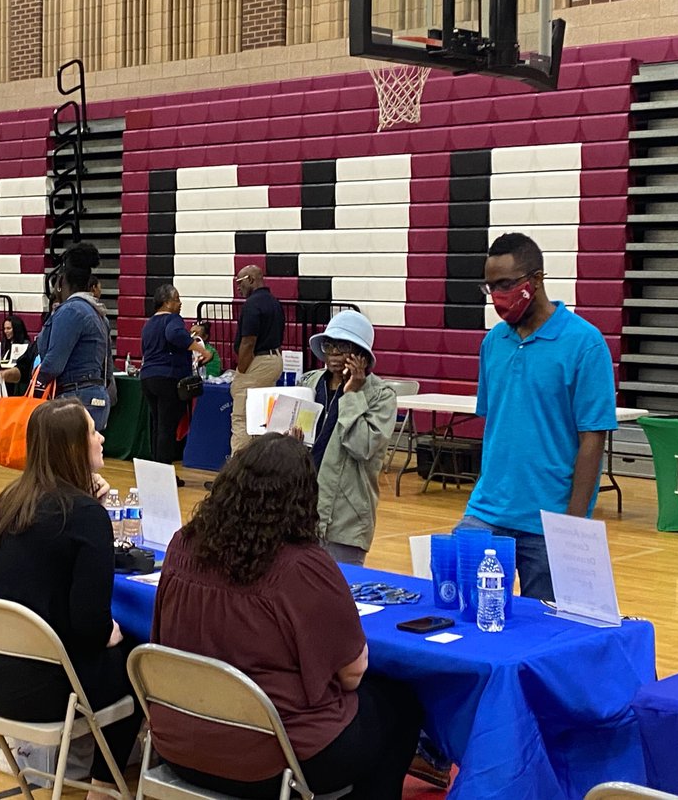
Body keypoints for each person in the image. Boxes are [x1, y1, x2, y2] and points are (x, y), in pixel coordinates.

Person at [152, 432, 423, 799]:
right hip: (270, 759)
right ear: (302, 499)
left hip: (178, 742)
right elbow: (352, 674)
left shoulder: (183, 544)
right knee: (400, 707)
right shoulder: (302, 568)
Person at [0, 398, 142, 800]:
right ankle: (102, 786)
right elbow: (89, 625)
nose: (101, 437)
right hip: (40, 692)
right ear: (74, 447)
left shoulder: (10, 500)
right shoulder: (83, 516)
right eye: (92, 432)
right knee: (137, 662)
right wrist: (109, 635)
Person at [459, 232, 617, 601]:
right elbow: (497, 426)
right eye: (491, 286)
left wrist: (572, 526)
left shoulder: (585, 343)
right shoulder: (493, 343)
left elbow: (592, 438)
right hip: (486, 512)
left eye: (506, 284)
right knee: (462, 611)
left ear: (537, 279)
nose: (498, 295)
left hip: (550, 523)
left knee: (545, 633)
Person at [301, 310, 396, 565]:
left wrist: (352, 394)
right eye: (329, 345)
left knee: (342, 593)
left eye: (342, 347)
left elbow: (362, 446)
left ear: (361, 356)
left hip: (345, 517)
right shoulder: (309, 383)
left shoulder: (381, 396)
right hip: (300, 510)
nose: (332, 353)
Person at [36, 243, 112, 430]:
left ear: (61, 282)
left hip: (76, 397)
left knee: (66, 458)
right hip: (96, 395)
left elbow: (53, 364)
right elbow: (108, 370)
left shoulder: (70, 311)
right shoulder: (98, 313)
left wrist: (37, 381)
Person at [140, 285, 204, 474]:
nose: (180, 302)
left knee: (157, 426)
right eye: (176, 299)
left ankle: (155, 470)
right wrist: (200, 349)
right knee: (167, 428)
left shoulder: (149, 323)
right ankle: (164, 474)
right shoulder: (173, 319)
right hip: (168, 377)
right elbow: (174, 334)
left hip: (148, 378)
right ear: (166, 303)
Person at [230, 265, 284, 454]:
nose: (238, 287)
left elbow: (248, 342)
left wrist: (241, 371)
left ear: (250, 280)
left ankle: (238, 476)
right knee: (262, 419)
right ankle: (260, 469)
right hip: (275, 360)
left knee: (242, 417)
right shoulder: (274, 302)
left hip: (257, 362)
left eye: (239, 282)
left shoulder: (252, 304)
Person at [0, 315, 37, 395]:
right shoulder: (5, 344)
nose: (6, 331)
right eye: (4, 329)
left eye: (8, 328)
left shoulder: (26, 345)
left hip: (20, 382)